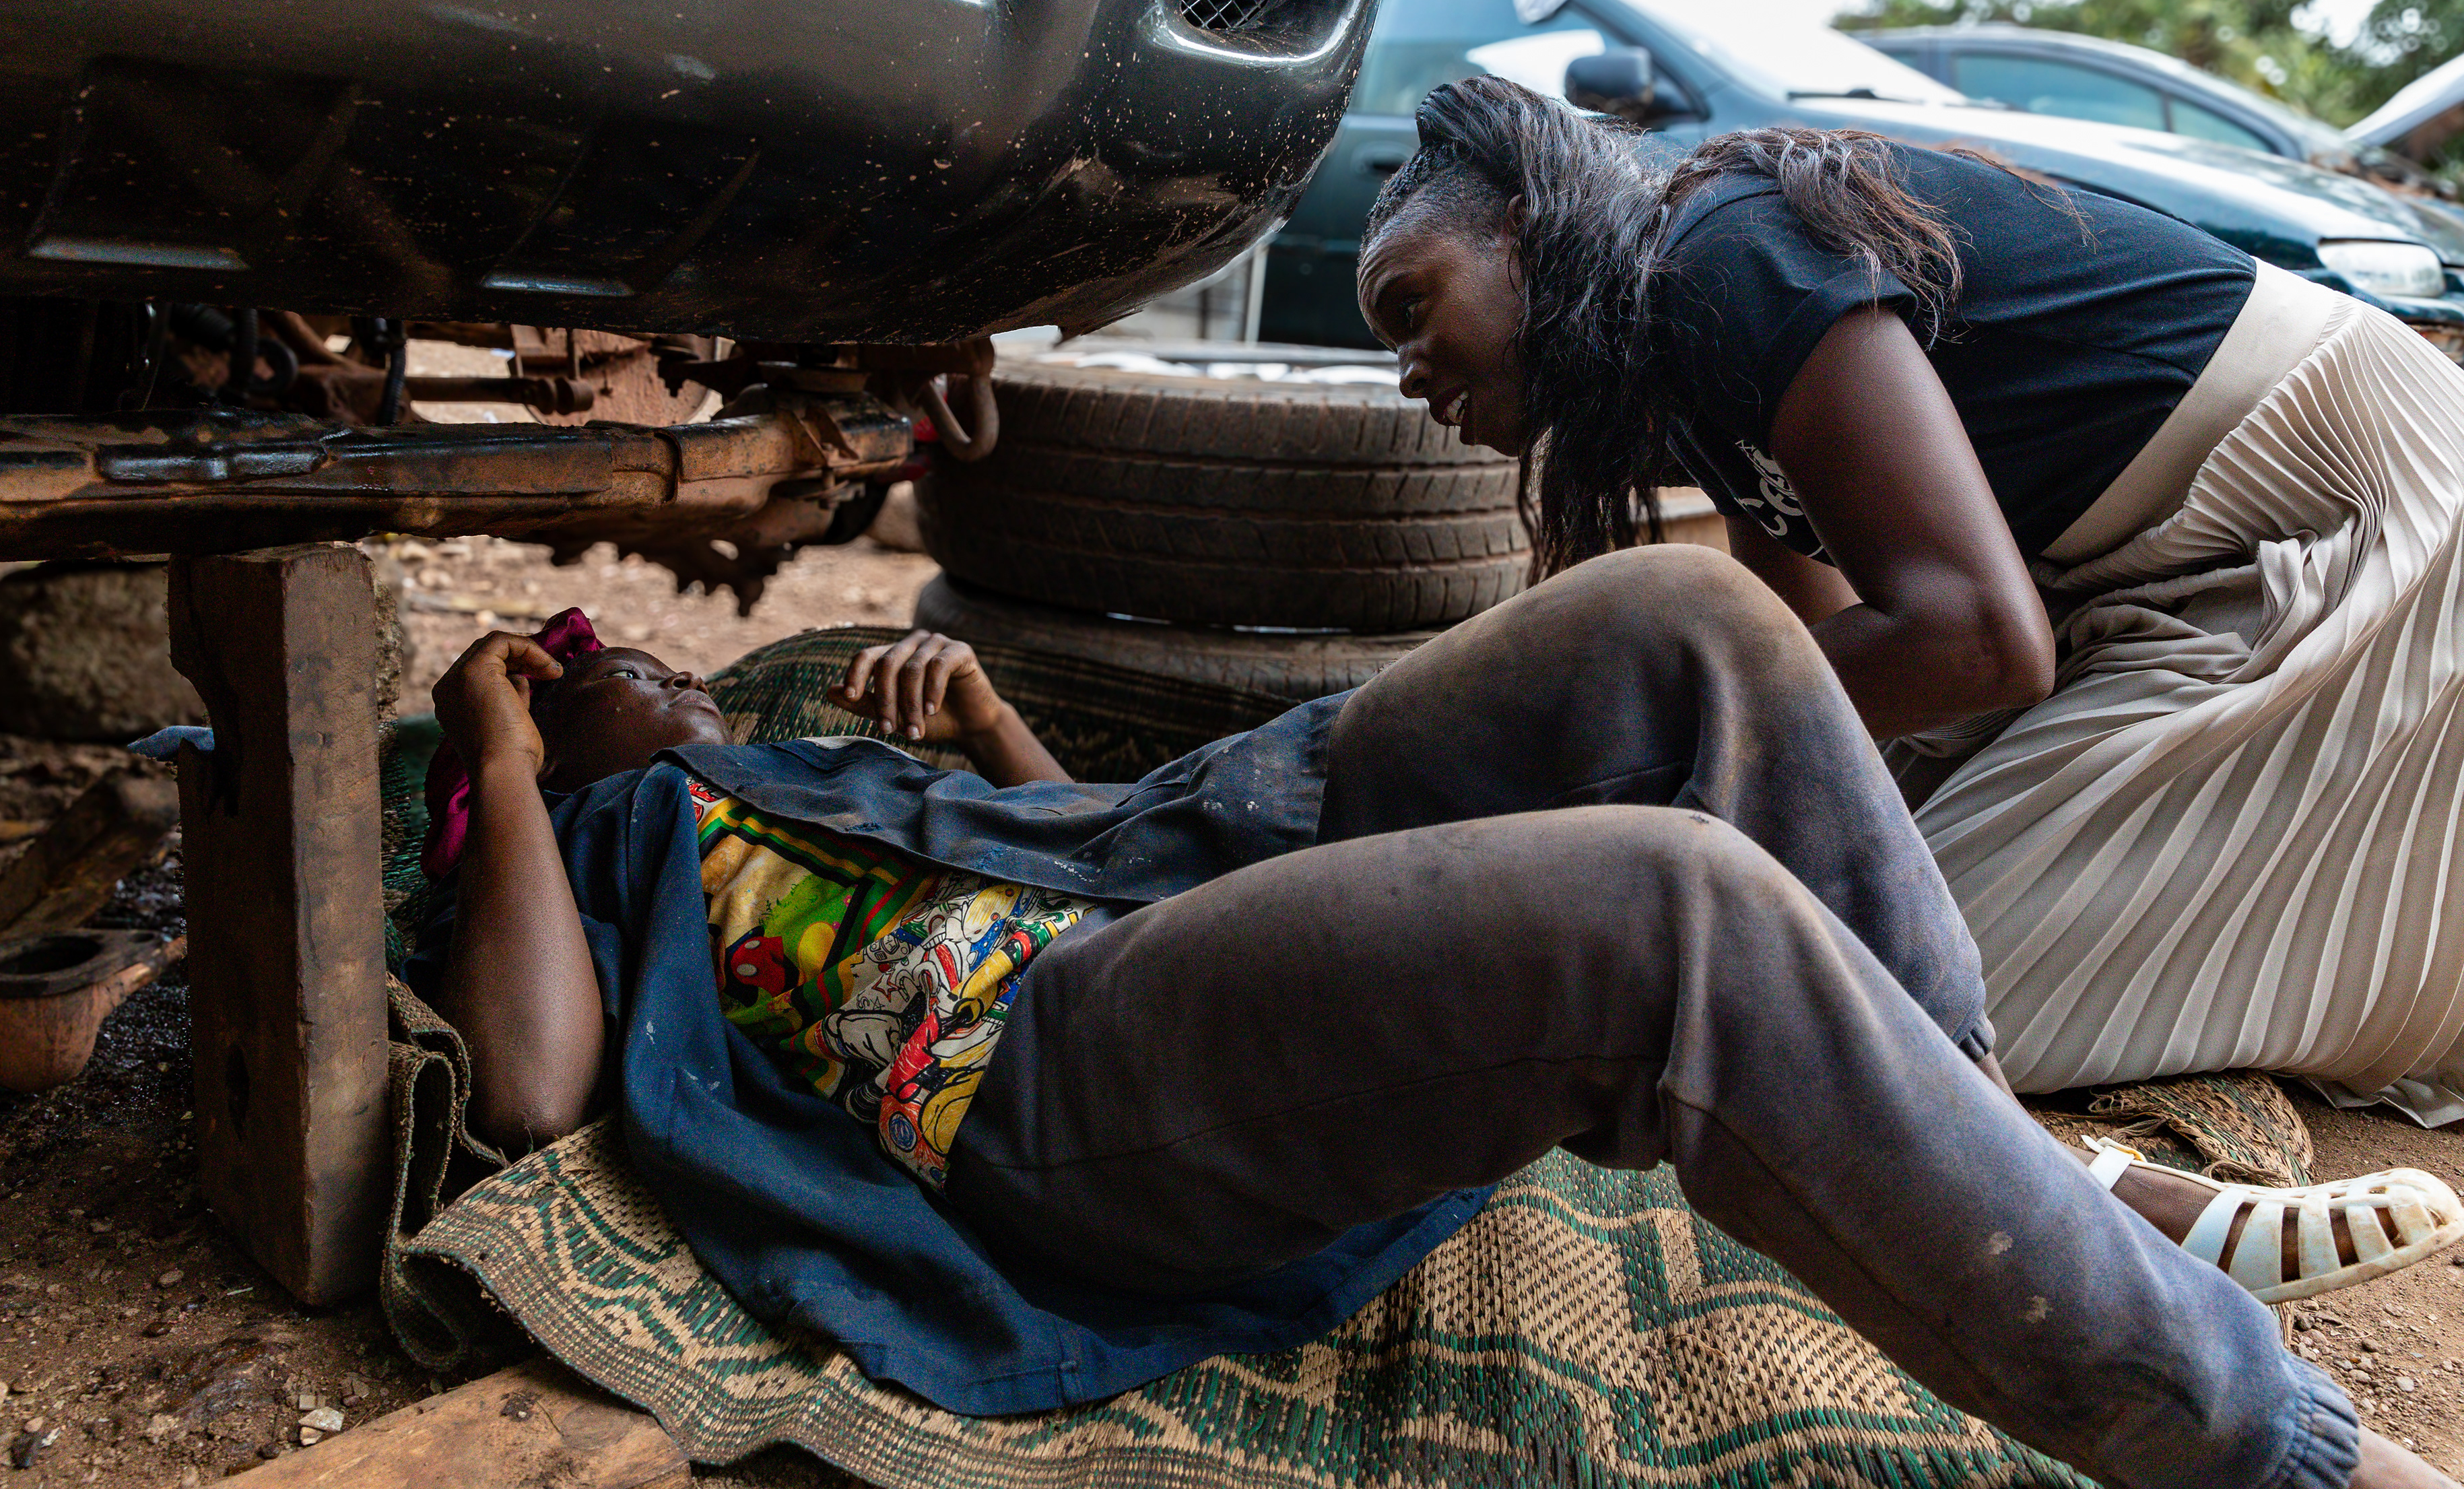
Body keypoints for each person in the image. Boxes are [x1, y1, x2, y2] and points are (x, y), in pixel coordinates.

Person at [418, 566, 2460, 1489]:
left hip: (1185, 863)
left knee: (1697, 623)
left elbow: (1084, 870)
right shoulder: (602, 844)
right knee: (1672, 924)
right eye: (596, 670)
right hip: (1049, 1084)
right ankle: (2263, 1449)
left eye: (664, 659)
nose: (654, 667)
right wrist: (504, 751)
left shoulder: (805, 766)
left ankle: (2018, 1153)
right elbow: (531, 1083)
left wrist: (978, 732)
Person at [1358, 74, 2464, 1111]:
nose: (1408, 370)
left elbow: (1975, 643)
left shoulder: (1721, 255)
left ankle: (2126, 1211)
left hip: (2351, 517)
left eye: (1411, 305)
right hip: (2150, 582)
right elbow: (1804, 657)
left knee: (1868, 1001)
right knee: (1833, 922)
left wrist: (1611, 761)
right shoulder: (1678, 363)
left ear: (1517, 229)